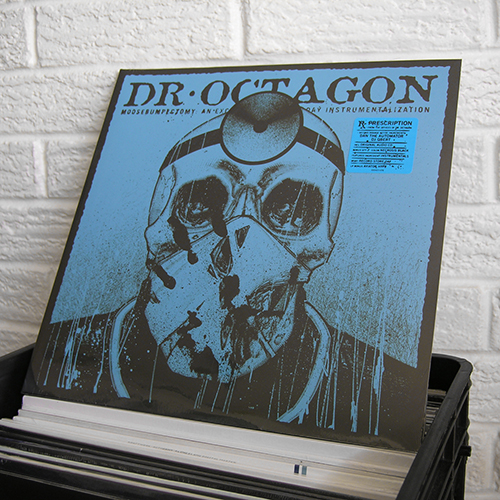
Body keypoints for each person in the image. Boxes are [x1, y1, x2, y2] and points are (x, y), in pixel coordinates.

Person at [30, 92, 418, 447]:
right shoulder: (62, 358)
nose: (236, 244)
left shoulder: (383, 391)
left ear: (318, 245)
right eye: (202, 204)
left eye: (291, 212)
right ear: (159, 224)